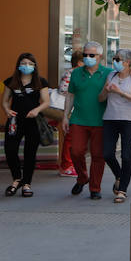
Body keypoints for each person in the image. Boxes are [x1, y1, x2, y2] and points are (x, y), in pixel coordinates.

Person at [64, 41, 112, 198]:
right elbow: (70, 94)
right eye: (85, 55)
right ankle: (83, 177)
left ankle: (95, 188)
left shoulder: (109, 73)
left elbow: (126, 76)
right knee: (76, 152)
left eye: (92, 55)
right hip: (79, 119)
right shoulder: (76, 73)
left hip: (101, 120)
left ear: (100, 56)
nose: (88, 58)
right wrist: (65, 116)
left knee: (98, 155)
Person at [0, 52, 50, 197]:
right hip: (15, 121)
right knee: (10, 149)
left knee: (30, 153)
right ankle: (16, 179)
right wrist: (7, 110)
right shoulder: (11, 81)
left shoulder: (41, 82)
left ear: (34, 66)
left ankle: (26, 184)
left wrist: (37, 110)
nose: (26, 66)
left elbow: (46, 102)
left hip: (33, 121)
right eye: (23, 63)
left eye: (29, 64)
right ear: (18, 66)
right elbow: (4, 101)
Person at [100, 49, 131, 203]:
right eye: (114, 58)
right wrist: (106, 91)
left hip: (128, 120)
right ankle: (119, 175)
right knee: (107, 154)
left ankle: (122, 190)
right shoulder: (111, 75)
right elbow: (101, 98)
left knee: (126, 155)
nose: (115, 61)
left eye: (118, 59)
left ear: (127, 62)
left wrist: (120, 93)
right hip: (110, 118)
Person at [56, 46, 78, 176]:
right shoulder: (71, 73)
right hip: (70, 110)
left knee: (74, 139)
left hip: (78, 111)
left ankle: (70, 164)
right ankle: (66, 165)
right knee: (70, 138)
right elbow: (63, 90)